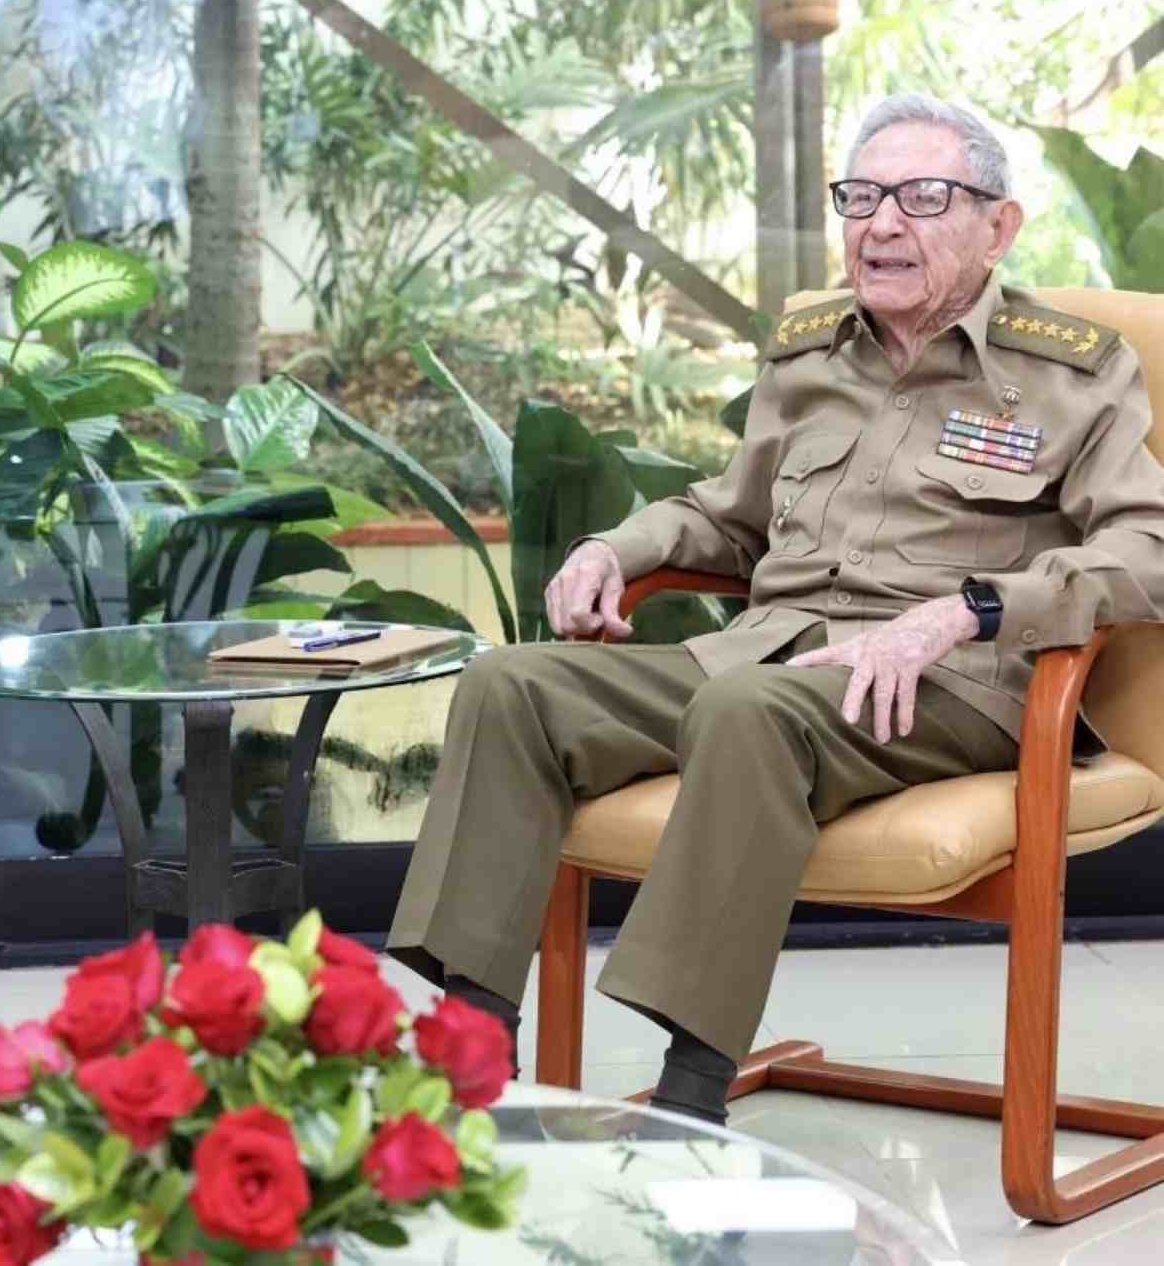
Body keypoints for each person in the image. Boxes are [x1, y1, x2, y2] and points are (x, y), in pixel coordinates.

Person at [389, 93, 1164, 1126]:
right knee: (510, 685)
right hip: (762, 660)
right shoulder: (806, 355)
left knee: (745, 711)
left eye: (922, 197)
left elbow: (1143, 551)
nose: (880, 225)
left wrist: (965, 611)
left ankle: (687, 1099)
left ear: (996, 225)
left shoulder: (1070, 373)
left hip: (941, 685)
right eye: (860, 197)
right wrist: (612, 549)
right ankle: (470, 1065)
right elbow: (728, 514)